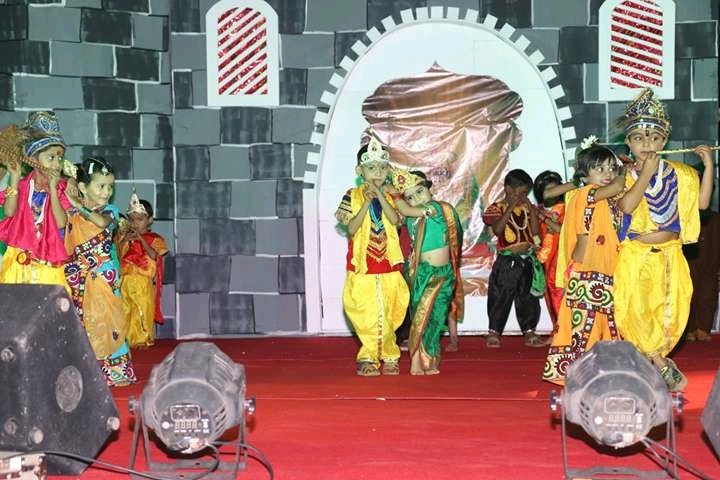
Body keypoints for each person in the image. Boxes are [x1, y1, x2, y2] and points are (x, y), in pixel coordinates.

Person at [614, 88, 715, 391]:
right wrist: (644, 174)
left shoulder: (682, 174)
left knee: (669, 315)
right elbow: (626, 206)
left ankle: (652, 364)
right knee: (636, 314)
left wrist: (709, 166)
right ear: (628, 142)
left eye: (654, 138)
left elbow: (702, 204)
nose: (647, 144)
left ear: (664, 141)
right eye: (639, 138)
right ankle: (660, 363)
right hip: (636, 257)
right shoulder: (622, 176)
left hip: (670, 256)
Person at [543, 141, 626, 385]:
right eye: (600, 169)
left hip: (609, 271)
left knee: (609, 325)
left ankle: (607, 374)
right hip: (586, 272)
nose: (608, 173)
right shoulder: (585, 193)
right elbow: (618, 185)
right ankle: (581, 377)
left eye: (611, 168)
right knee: (584, 329)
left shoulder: (610, 199)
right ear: (585, 175)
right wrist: (624, 169)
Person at [335, 134, 410, 376]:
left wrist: (380, 196)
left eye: (381, 167)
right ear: (360, 171)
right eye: (371, 168)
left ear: (387, 170)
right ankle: (370, 357)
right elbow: (351, 228)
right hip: (363, 268)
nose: (377, 172)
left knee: (389, 313)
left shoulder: (391, 196)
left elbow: (396, 221)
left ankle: (388, 355)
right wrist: (367, 202)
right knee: (367, 314)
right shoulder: (352, 195)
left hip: (388, 266)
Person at [64, 157, 137, 387]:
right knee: (83, 323)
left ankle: (117, 371)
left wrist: (79, 206)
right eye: (101, 186)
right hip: (77, 277)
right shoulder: (71, 213)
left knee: (109, 321)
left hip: (104, 276)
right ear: (83, 187)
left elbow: (102, 223)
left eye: (110, 186)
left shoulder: (110, 211)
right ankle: (87, 373)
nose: (107, 192)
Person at [387, 169, 463, 375]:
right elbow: (397, 217)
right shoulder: (410, 217)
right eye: (410, 197)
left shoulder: (435, 208)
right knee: (420, 317)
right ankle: (415, 360)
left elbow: (407, 209)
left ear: (430, 190)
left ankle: (428, 358)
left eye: (419, 192)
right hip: (422, 274)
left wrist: (396, 195)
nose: (416, 199)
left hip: (444, 274)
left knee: (436, 319)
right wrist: (384, 194)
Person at [0, 112, 71, 288]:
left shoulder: (62, 189)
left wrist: (53, 190)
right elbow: (9, 212)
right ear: (32, 160)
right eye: (50, 158)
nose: (57, 164)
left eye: (60, 158)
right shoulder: (23, 186)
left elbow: (61, 223)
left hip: (48, 260)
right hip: (18, 260)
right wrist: (14, 177)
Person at [481, 169, 546, 348]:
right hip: (507, 261)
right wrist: (510, 207)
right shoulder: (497, 208)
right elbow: (498, 230)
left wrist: (530, 209)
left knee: (528, 298)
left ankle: (529, 331)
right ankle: (494, 332)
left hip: (526, 259)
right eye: (521, 192)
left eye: (526, 193)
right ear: (509, 189)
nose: (524, 196)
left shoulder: (526, 208)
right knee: (500, 296)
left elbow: (535, 231)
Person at [119, 193, 168, 348]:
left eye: (139, 219)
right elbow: (117, 257)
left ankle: (142, 339)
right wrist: (123, 242)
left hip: (142, 281)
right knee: (124, 310)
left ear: (150, 220)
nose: (135, 223)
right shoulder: (123, 238)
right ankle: (125, 341)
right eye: (132, 219)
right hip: (124, 281)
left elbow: (154, 255)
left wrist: (141, 239)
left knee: (142, 310)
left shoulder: (155, 238)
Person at [533, 170, 566, 325]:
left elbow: (563, 230)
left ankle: (563, 331)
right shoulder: (538, 209)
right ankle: (557, 328)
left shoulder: (566, 208)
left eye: (556, 188)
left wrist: (544, 219)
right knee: (550, 295)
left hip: (561, 256)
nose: (553, 192)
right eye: (548, 190)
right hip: (544, 258)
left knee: (559, 291)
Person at [684, 208, 719, 342]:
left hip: (710, 218)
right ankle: (689, 328)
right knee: (689, 281)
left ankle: (703, 327)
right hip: (687, 215)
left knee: (709, 280)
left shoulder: (715, 219)